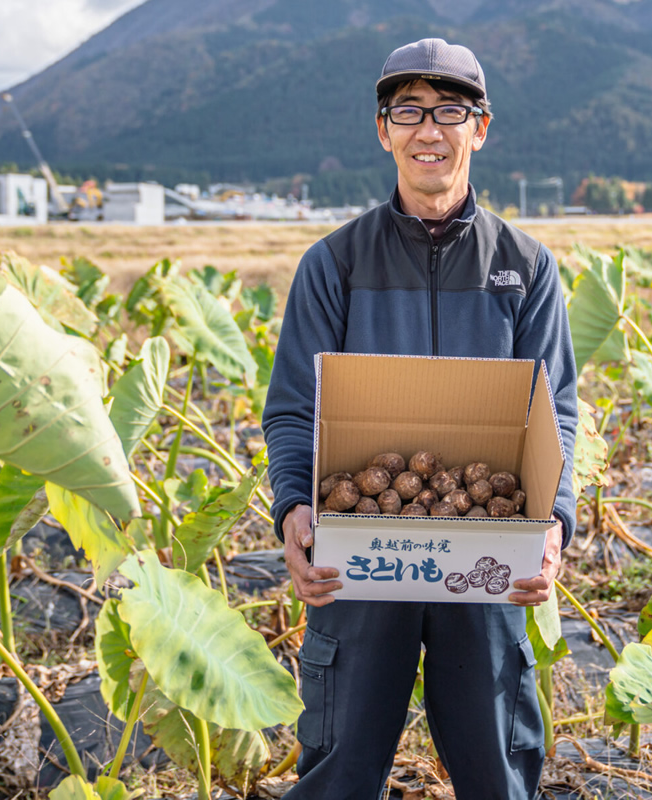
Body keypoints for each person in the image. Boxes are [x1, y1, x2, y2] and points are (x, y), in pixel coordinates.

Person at [262, 37, 578, 800]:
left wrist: (555, 525)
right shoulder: (336, 263)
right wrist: (296, 510)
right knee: (339, 761)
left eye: (448, 111)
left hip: (487, 553)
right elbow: (295, 411)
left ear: (481, 127)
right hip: (362, 550)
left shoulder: (526, 268)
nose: (428, 130)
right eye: (408, 111)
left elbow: (557, 411)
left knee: (498, 765)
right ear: (383, 129)